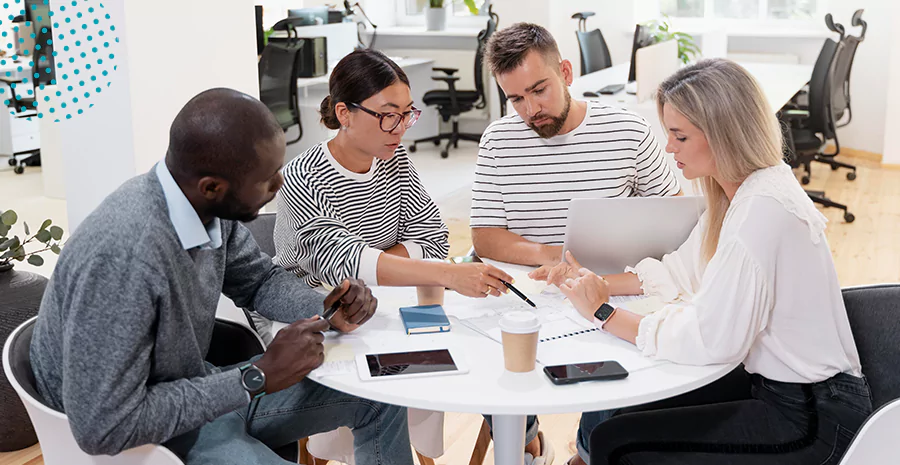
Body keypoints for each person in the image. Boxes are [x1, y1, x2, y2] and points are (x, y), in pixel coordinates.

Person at [29, 88, 415, 465]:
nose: (279, 186)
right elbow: (104, 427)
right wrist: (254, 378)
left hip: (200, 393)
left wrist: (325, 306)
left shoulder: (206, 209)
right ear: (212, 187)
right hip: (145, 438)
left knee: (380, 392)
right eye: (267, 179)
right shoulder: (123, 258)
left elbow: (259, 281)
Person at [544, 59, 869, 465]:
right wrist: (592, 283)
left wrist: (604, 312)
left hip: (811, 417)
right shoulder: (748, 190)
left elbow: (712, 338)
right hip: (782, 389)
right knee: (620, 410)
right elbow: (681, 270)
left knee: (618, 440)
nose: (668, 148)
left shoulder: (761, 212)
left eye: (679, 136)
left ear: (724, 136)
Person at [273, 49, 513, 297]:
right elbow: (340, 266)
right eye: (388, 115)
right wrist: (445, 274)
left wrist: (372, 267)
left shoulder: (394, 160)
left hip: (382, 298)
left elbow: (434, 240)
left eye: (406, 114)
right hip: (309, 309)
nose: (400, 129)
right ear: (344, 113)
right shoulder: (300, 177)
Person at [471, 23, 682, 276]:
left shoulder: (630, 131)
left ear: (566, 73)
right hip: (533, 287)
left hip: (612, 282)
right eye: (516, 99)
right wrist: (554, 255)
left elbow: (675, 217)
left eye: (539, 90)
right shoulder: (497, 140)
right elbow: (484, 237)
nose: (531, 110)